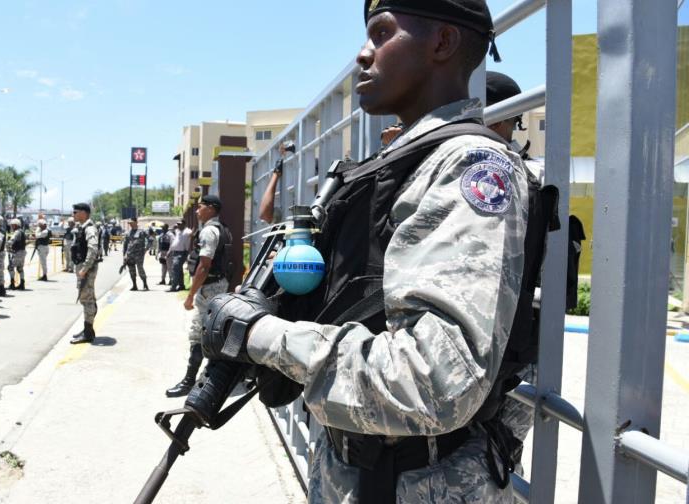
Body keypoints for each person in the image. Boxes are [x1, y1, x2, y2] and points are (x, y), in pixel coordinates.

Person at [199, 2, 537, 501]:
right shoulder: (403, 164)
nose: (363, 54)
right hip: (352, 467)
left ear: (442, 43)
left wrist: (261, 336)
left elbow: (434, 381)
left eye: (381, 34)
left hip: (422, 480)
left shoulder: (470, 169)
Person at [165, 195, 230, 397]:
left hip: (209, 289)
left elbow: (204, 265)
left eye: (200, 207)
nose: (197, 211)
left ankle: (189, 382)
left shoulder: (210, 231)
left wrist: (190, 295)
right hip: (219, 285)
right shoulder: (223, 229)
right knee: (212, 332)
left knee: (197, 333)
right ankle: (211, 379)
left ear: (211, 208)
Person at [69, 203, 100, 344]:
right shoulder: (82, 228)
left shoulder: (89, 229)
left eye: (75, 212)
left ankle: (88, 333)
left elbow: (93, 250)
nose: (73, 214)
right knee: (88, 299)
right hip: (83, 268)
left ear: (83, 213)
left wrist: (84, 269)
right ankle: (88, 329)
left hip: (86, 270)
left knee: (87, 300)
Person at [122, 217, 149, 291]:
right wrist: (124, 255)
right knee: (131, 271)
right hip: (130, 255)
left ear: (136, 222)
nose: (130, 225)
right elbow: (125, 244)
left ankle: (145, 284)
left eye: (132, 223)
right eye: (130, 223)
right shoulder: (128, 233)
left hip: (139, 255)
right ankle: (134, 285)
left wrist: (146, 249)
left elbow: (151, 239)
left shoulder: (142, 232)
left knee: (140, 269)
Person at [168, 221, 191, 292]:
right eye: (177, 224)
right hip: (175, 252)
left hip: (182, 252)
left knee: (175, 268)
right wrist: (169, 251)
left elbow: (192, 234)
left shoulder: (187, 231)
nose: (178, 225)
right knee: (179, 269)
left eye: (180, 224)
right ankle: (181, 285)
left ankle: (173, 286)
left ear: (184, 224)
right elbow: (175, 241)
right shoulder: (178, 231)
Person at [7, 218, 27, 290]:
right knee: (20, 268)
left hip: (18, 252)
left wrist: (7, 245)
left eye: (12, 225)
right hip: (22, 252)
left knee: (10, 267)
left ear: (15, 225)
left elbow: (12, 240)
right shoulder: (22, 231)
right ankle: (22, 284)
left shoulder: (17, 232)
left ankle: (12, 284)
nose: (11, 227)